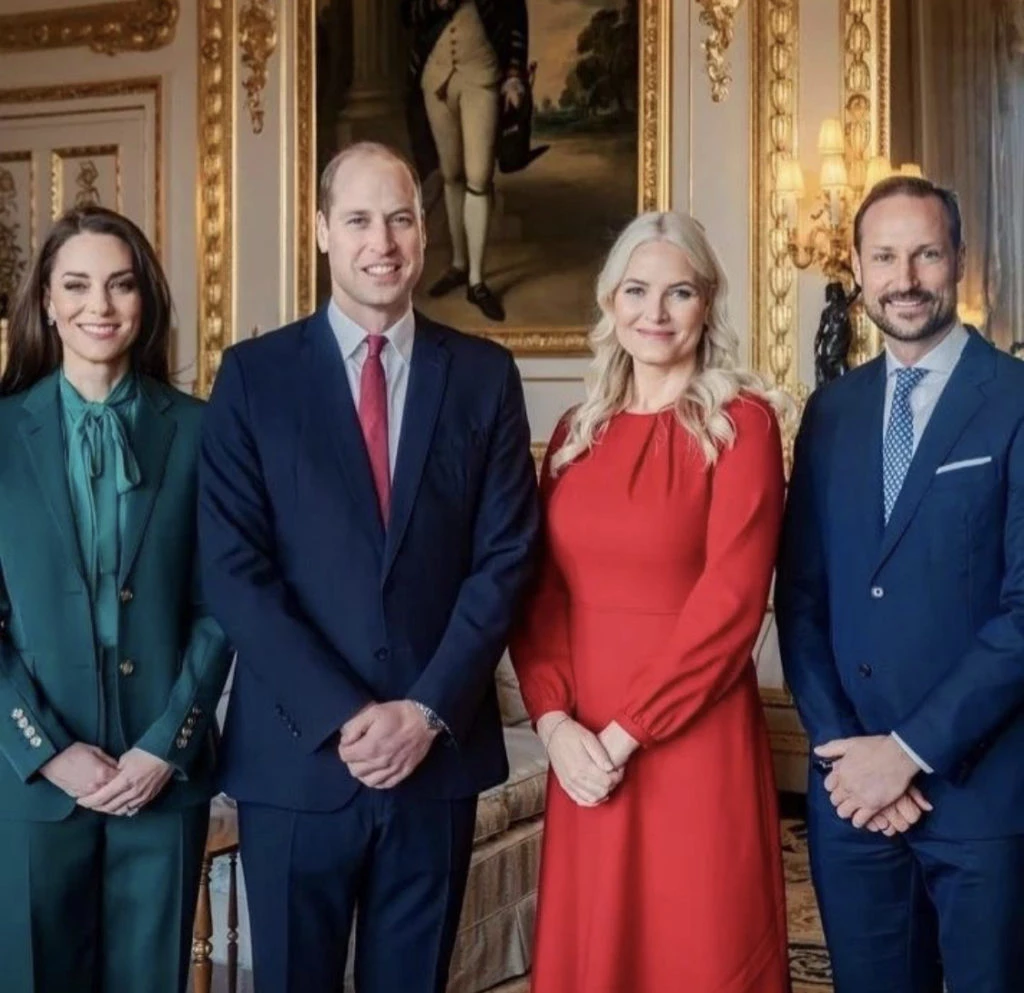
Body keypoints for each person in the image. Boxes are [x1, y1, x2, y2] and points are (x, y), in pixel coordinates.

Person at [199, 141, 538, 993]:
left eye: (399, 218)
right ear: (321, 231)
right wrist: (345, 715)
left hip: (437, 763)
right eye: (357, 219)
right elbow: (236, 571)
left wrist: (424, 710)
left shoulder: (485, 377)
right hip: (296, 760)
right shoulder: (252, 378)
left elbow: (505, 559)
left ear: (424, 234)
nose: (380, 241)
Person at [511, 211, 791, 992]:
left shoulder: (743, 425)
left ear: (708, 303)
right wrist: (556, 722)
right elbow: (540, 595)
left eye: (679, 293)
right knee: (599, 947)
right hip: (583, 746)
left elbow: (732, 604)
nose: (655, 313)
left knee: (697, 945)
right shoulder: (574, 432)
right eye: (637, 290)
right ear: (609, 301)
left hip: (687, 740)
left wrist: (625, 734)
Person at [776, 175, 1024, 992]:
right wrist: (847, 755)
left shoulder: (1014, 399)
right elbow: (803, 598)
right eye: (883, 256)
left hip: (984, 796)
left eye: (925, 253)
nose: (904, 277)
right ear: (855, 265)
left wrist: (909, 753)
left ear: (959, 259)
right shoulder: (832, 413)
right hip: (853, 802)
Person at [0, 205, 232, 993]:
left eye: (120, 284)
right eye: (77, 285)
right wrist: (45, 750)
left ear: (146, 301)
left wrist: (167, 742)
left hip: (161, 770)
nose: (99, 306)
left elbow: (223, 603)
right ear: (46, 303)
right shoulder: (0, 436)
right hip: (31, 775)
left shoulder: (204, 431)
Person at [401, 0, 530, 322]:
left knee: (478, 177)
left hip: (482, 74)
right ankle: (459, 264)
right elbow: (408, 14)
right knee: (451, 174)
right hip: (435, 76)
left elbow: (514, 18)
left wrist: (513, 74)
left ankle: (476, 280)